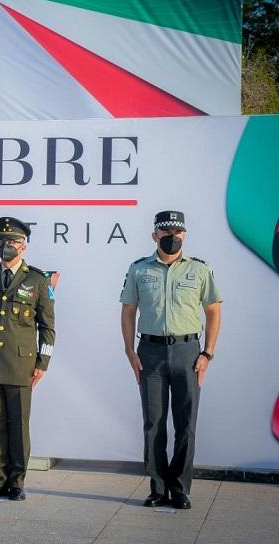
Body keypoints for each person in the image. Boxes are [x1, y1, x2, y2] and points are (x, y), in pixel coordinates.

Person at [120, 210, 222, 510]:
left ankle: (179, 488)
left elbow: (213, 310)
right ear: (155, 236)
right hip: (150, 353)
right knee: (153, 423)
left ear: (184, 235)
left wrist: (208, 353)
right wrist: (129, 350)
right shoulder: (139, 269)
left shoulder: (199, 270)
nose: (173, 239)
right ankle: (157, 487)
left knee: (186, 424)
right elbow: (128, 311)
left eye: (178, 234)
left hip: (188, 352)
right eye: (166, 234)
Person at [0, 217, 55, 501]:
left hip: (21, 364)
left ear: (23, 246)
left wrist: (42, 363)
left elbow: (48, 327)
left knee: (18, 425)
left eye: (12, 242)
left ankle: (17, 482)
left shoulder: (37, 280)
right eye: (1, 241)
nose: (6, 246)